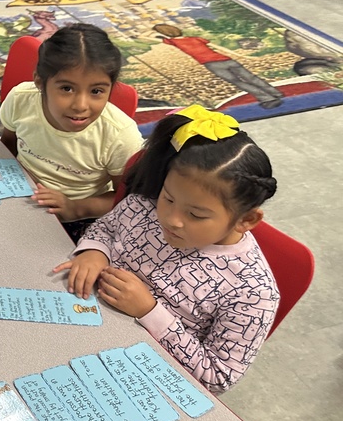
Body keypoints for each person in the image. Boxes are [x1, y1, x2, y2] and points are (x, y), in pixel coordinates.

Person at [54, 105, 280, 394]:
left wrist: (148, 310)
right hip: (79, 326)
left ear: (246, 220)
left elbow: (217, 377)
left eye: (196, 215)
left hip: (132, 377)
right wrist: (95, 252)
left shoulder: (253, 293)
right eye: (169, 198)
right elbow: (107, 228)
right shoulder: (145, 205)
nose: (172, 219)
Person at [0, 23, 143, 241]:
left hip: (77, 216)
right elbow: (7, 145)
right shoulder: (21, 99)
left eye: (96, 91)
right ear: (40, 81)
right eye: (66, 88)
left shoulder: (120, 135)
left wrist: (74, 208)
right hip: (17, 193)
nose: (80, 105)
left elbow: (126, 198)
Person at [152, 23, 285, 109]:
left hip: (212, 64)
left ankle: (267, 99)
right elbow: (216, 47)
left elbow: (147, 37)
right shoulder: (195, 38)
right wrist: (243, 56)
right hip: (226, 59)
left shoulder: (173, 42)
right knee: (251, 77)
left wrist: (157, 33)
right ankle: (275, 92)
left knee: (237, 82)